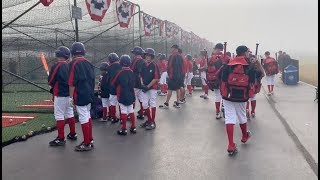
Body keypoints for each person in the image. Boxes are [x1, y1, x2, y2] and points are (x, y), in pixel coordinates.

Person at [220, 45, 255, 155]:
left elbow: (223, 80)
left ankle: (231, 145)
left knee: (230, 118)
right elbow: (253, 82)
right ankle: (244, 136)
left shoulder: (227, 65)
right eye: (248, 53)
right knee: (241, 116)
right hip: (242, 97)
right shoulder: (249, 66)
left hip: (228, 96)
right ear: (245, 53)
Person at [48, 46, 77, 147]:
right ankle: (73, 134)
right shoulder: (70, 65)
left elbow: (50, 81)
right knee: (69, 112)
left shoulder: (57, 65)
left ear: (58, 55)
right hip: (69, 94)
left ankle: (61, 138)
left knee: (59, 115)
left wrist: (51, 83)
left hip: (60, 94)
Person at [68, 42, 95, 151]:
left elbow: (71, 83)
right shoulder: (89, 63)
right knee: (87, 116)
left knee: (83, 117)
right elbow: (93, 80)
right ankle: (90, 139)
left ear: (73, 52)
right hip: (89, 93)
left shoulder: (73, 63)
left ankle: (87, 143)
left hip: (80, 94)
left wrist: (70, 98)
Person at [112, 55, 136, 135]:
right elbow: (134, 83)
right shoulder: (131, 71)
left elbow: (114, 82)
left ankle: (124, 129)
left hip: (122, 93)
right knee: (131, 110)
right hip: (131, 93)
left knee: (123, 111)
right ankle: (133, 127)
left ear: (121, 63)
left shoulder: (120, 72)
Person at [207, 43, 230, 119]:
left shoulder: (211, 58)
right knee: (225, 95)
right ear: (223, 49)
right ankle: (224, 108)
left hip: (214, 79)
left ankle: (217, 112)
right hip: (225, 79)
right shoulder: (226, 57)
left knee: (217, 96)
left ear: (216, 48)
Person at [140, 48, 160, 130]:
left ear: (152, 56)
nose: (147, 57)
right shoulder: (143, 64)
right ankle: (149, 120)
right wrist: (142, 84)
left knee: (152, 103)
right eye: (146, 55)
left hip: (152, 88)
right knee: (144, 104)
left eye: (149, 55)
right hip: (145, 87)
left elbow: (156, 78)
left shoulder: (154, 65)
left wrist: (148, 86)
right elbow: (140, 76)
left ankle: (152, 122)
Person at [246, 54, 265, 119]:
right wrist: (259, 64)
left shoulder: (246, 66)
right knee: (253, 97)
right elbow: (263, 74)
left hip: (248, 84)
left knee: (247, 98)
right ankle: (252, 111)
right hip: (254, 84)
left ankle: (248, 110)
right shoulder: (257, 66)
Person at [130, 46, 146, 120]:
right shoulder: (141, 60)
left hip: (135, 82)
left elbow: (137, 72)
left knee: (132, 98)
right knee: (141, 98)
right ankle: (142, 113)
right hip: (140, 83)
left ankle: (130, 114)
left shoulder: (137, 60)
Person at [106, 53, 122, 123]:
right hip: (120, 88)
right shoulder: (121, 65)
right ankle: (122, 118)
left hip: (112, 88)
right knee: (121, 104)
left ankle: (113, 117)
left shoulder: (109, 67)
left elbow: (107, 79)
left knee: (112, 103)